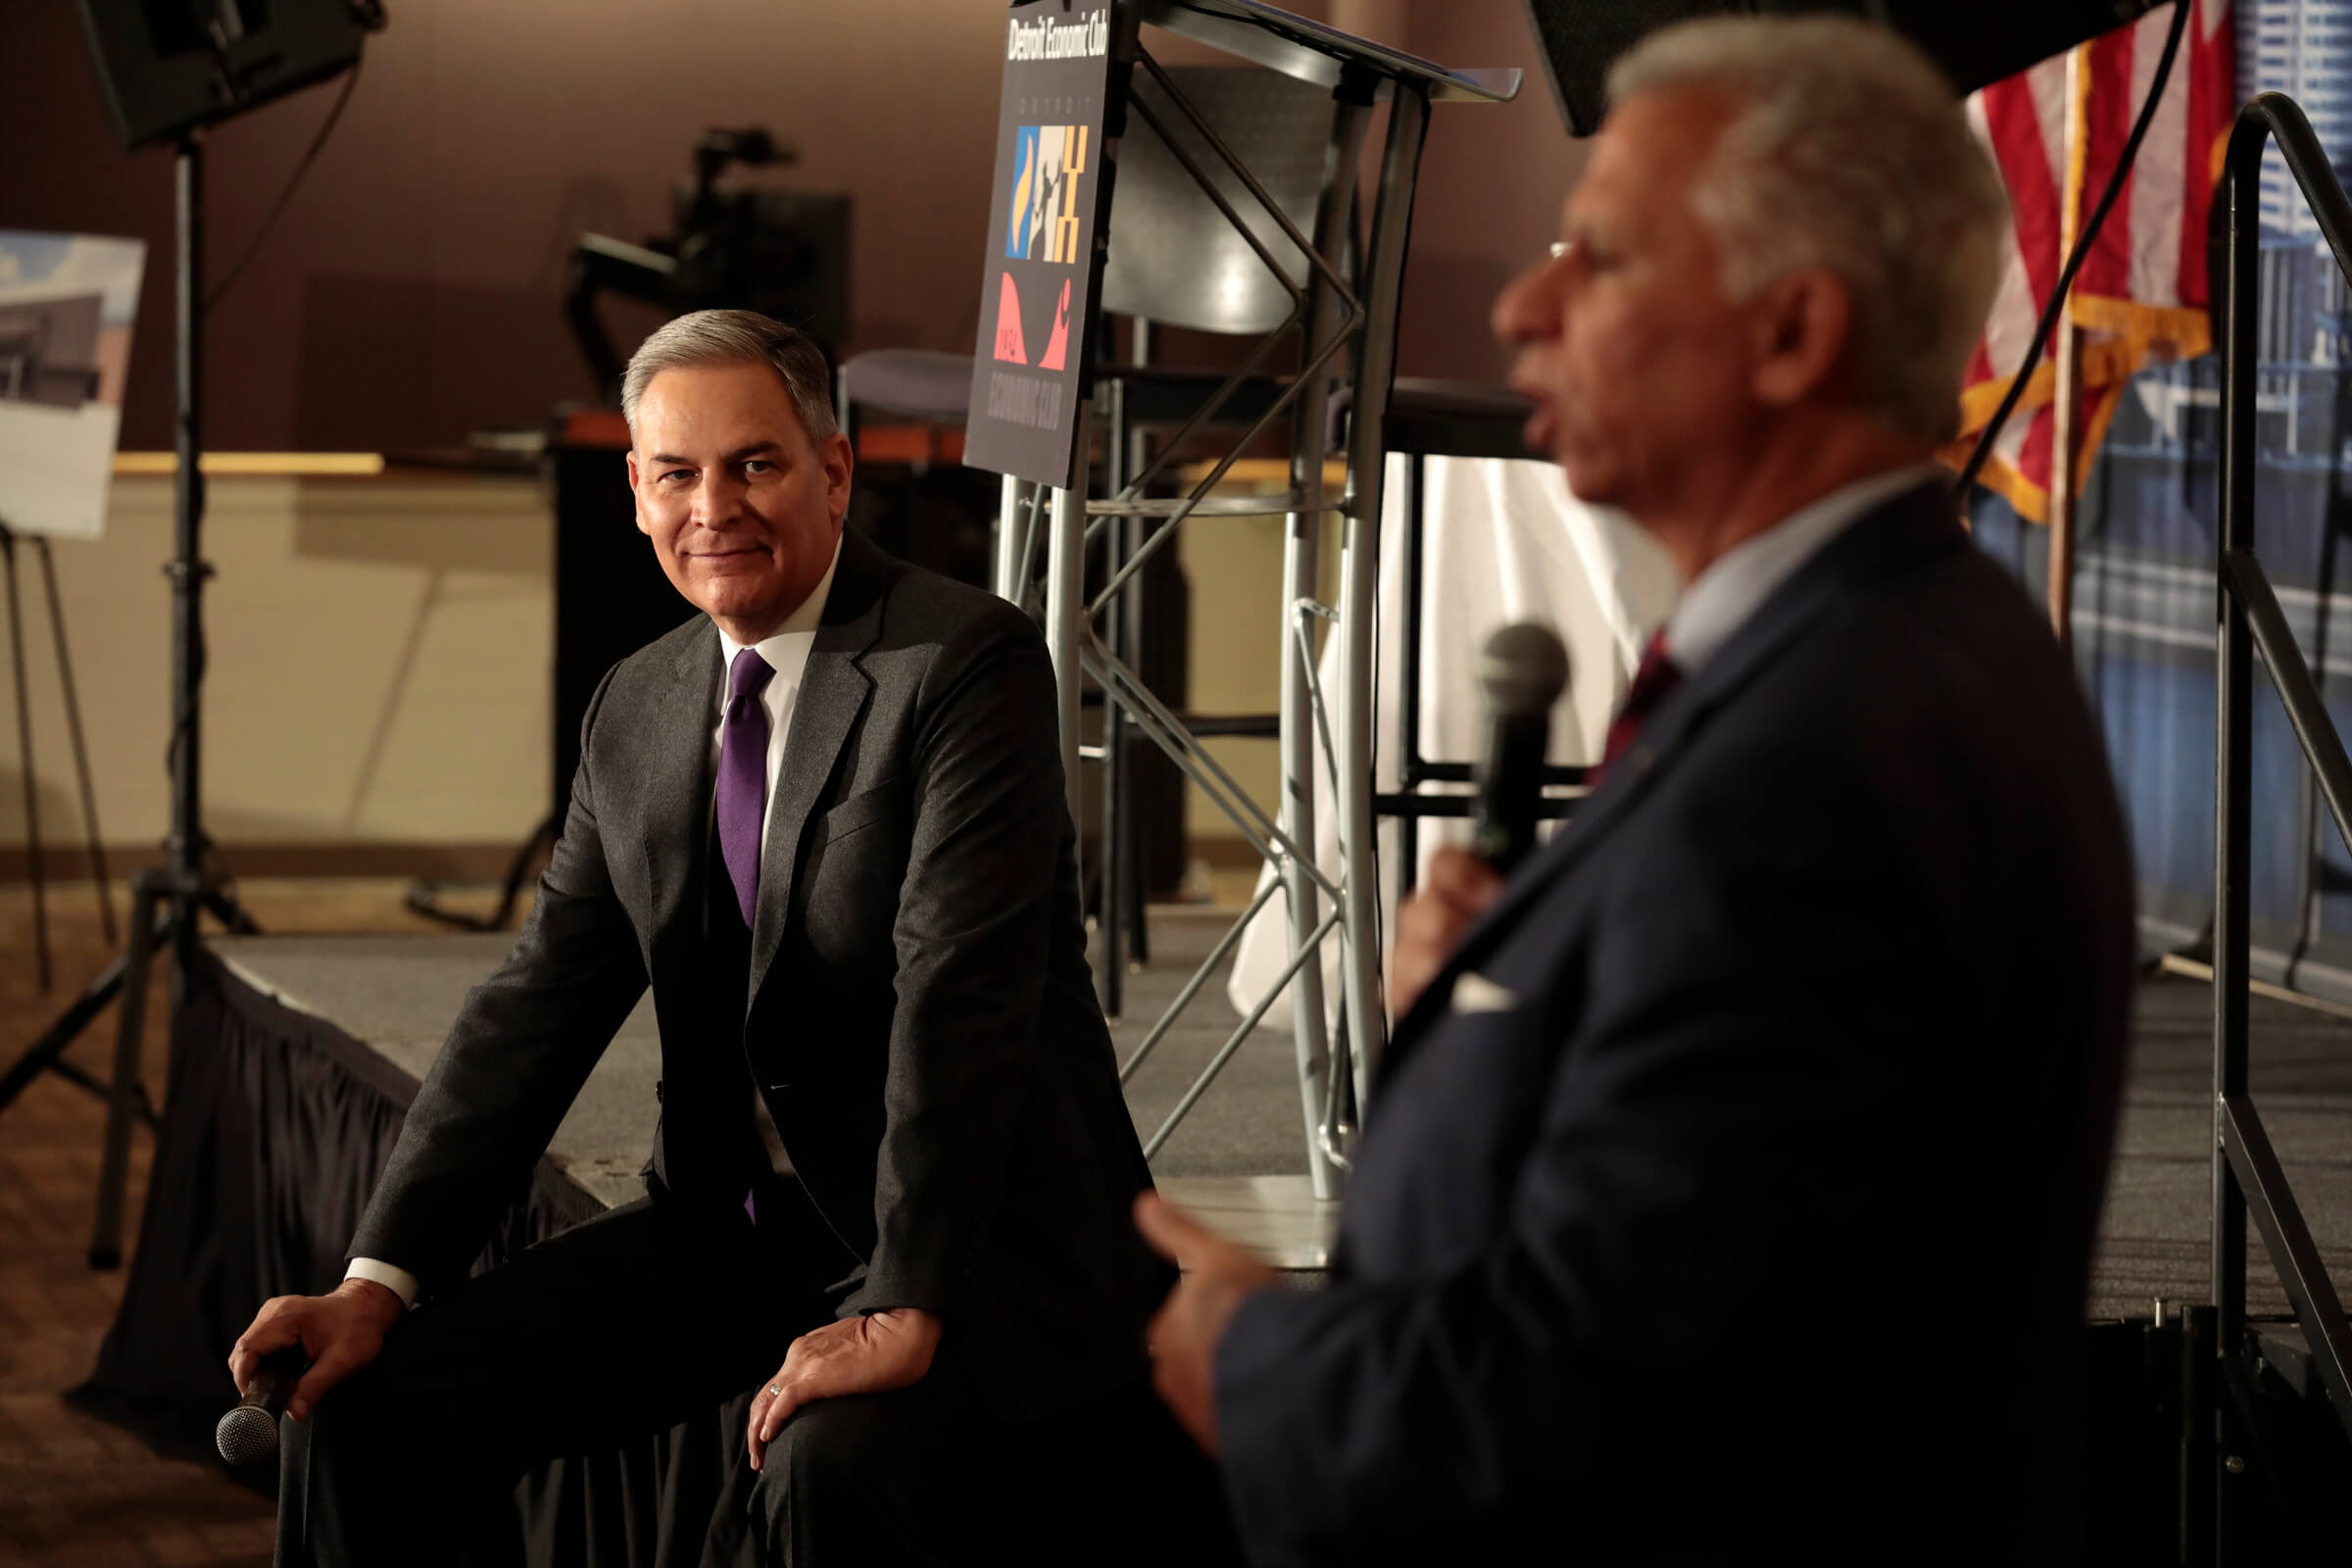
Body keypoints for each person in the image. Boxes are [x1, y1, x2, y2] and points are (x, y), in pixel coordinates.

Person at [1138, 17, 2135, 1565]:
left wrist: (1262, 1362)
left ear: (1791, 333)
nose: (1522, 306)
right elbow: (1722, 1216)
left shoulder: (1818, 766)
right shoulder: (1868, 644)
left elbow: (1582, 1404)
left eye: (1600, 260)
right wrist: (1497, 1004)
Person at [232, 309, 1179, 1565]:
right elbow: (537, 1003)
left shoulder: (962, 662)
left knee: (830, 1458)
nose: (713, 507)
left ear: (833, 472)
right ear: (635, 490)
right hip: (733, 1229)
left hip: (971, 1240)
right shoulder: (638, 701)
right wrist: (377, 1280)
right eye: (677, 473)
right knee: (363, 1410)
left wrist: (905, 1299)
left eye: (755, 464)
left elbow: (962, 1002)